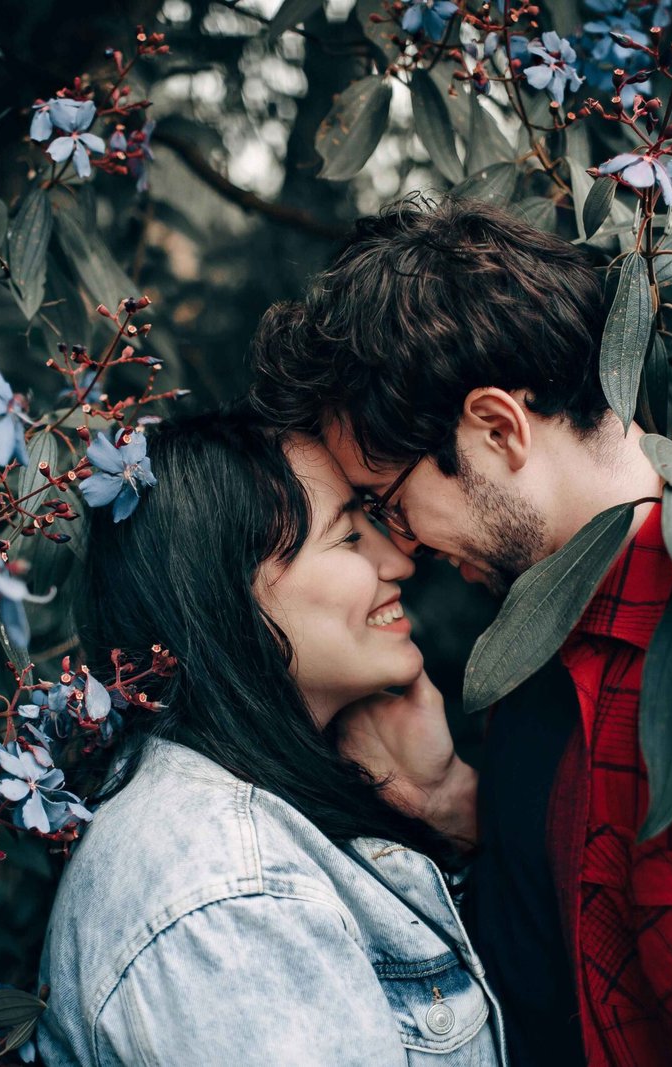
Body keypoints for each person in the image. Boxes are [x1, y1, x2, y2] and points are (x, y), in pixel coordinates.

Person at [251, 197, 672, 1065]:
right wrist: (456, 803)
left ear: (496, 428)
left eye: (389, 501)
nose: (401, 547)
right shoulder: (540, 643)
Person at [36, 410, 503, 1067]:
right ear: (230, 590)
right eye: (348, 537)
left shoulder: (260, 823)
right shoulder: (229, 897)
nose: (399, 559)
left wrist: (444, 802)